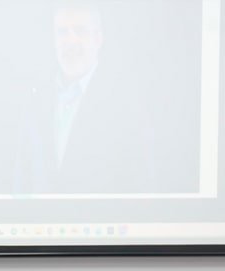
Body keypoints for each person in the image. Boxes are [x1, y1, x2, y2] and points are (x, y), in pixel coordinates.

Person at [12, 1, 198, 194]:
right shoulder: (36, 100)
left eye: (80, 31)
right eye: (62, 32)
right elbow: (21, 180)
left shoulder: (126, 104)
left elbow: (141, 186)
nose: (71, 40)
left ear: (98, 39)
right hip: (43, 224)